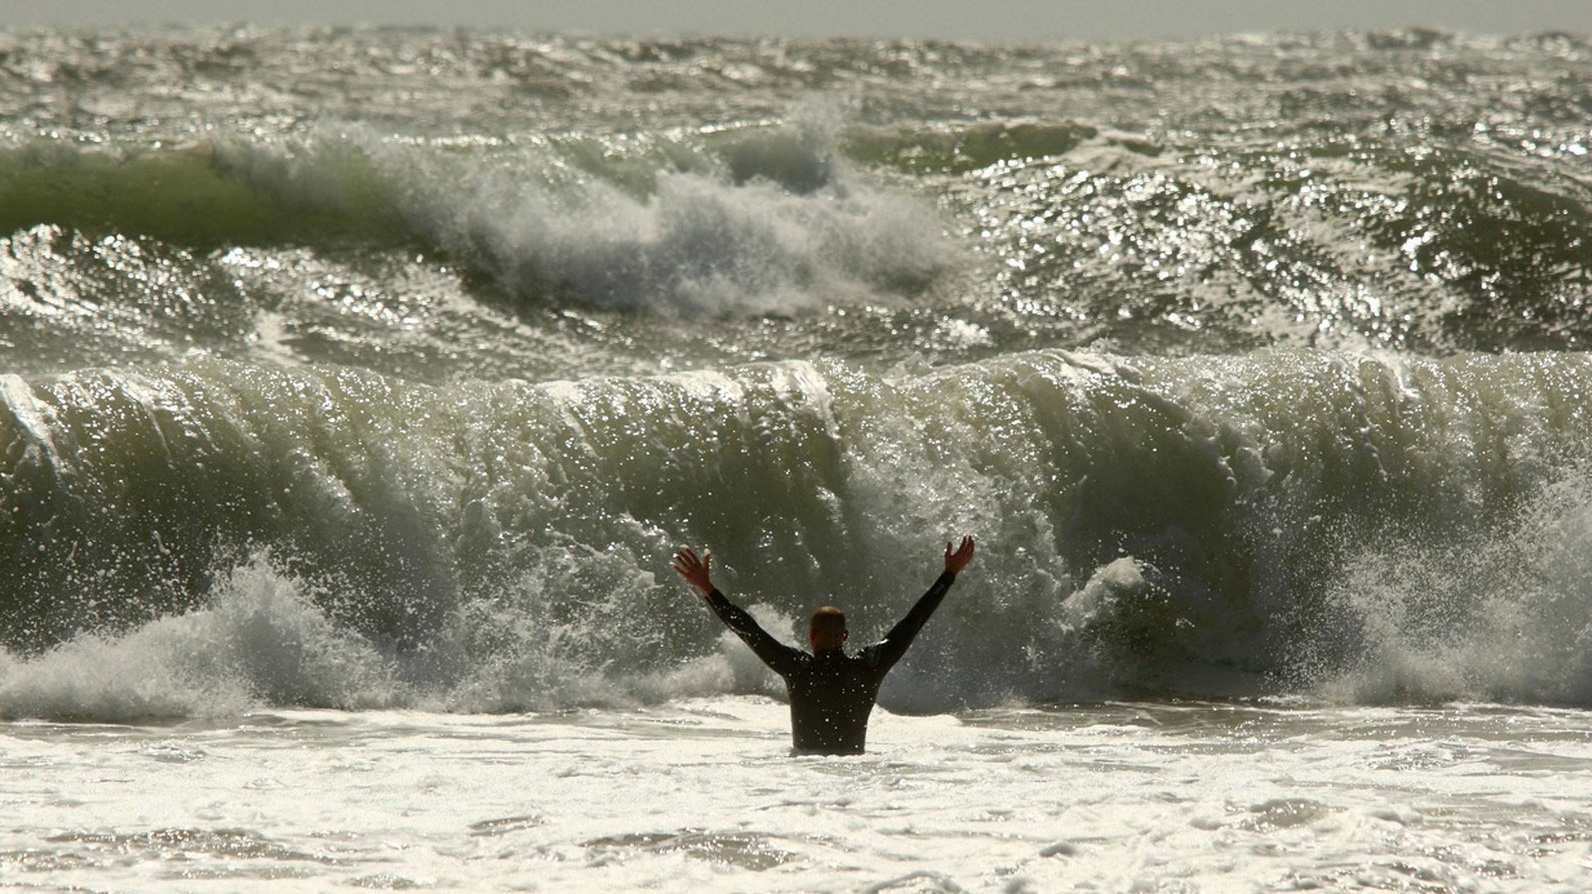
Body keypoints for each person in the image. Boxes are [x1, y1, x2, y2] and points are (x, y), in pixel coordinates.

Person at [671, 536, 976, 755]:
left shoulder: (798, 669)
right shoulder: (868, 668)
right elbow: (914, 621)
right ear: (845, 636)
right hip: (853, 781)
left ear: (812, 636)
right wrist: (948, 574)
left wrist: (708, 589)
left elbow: (748, 630)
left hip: (807, 785)